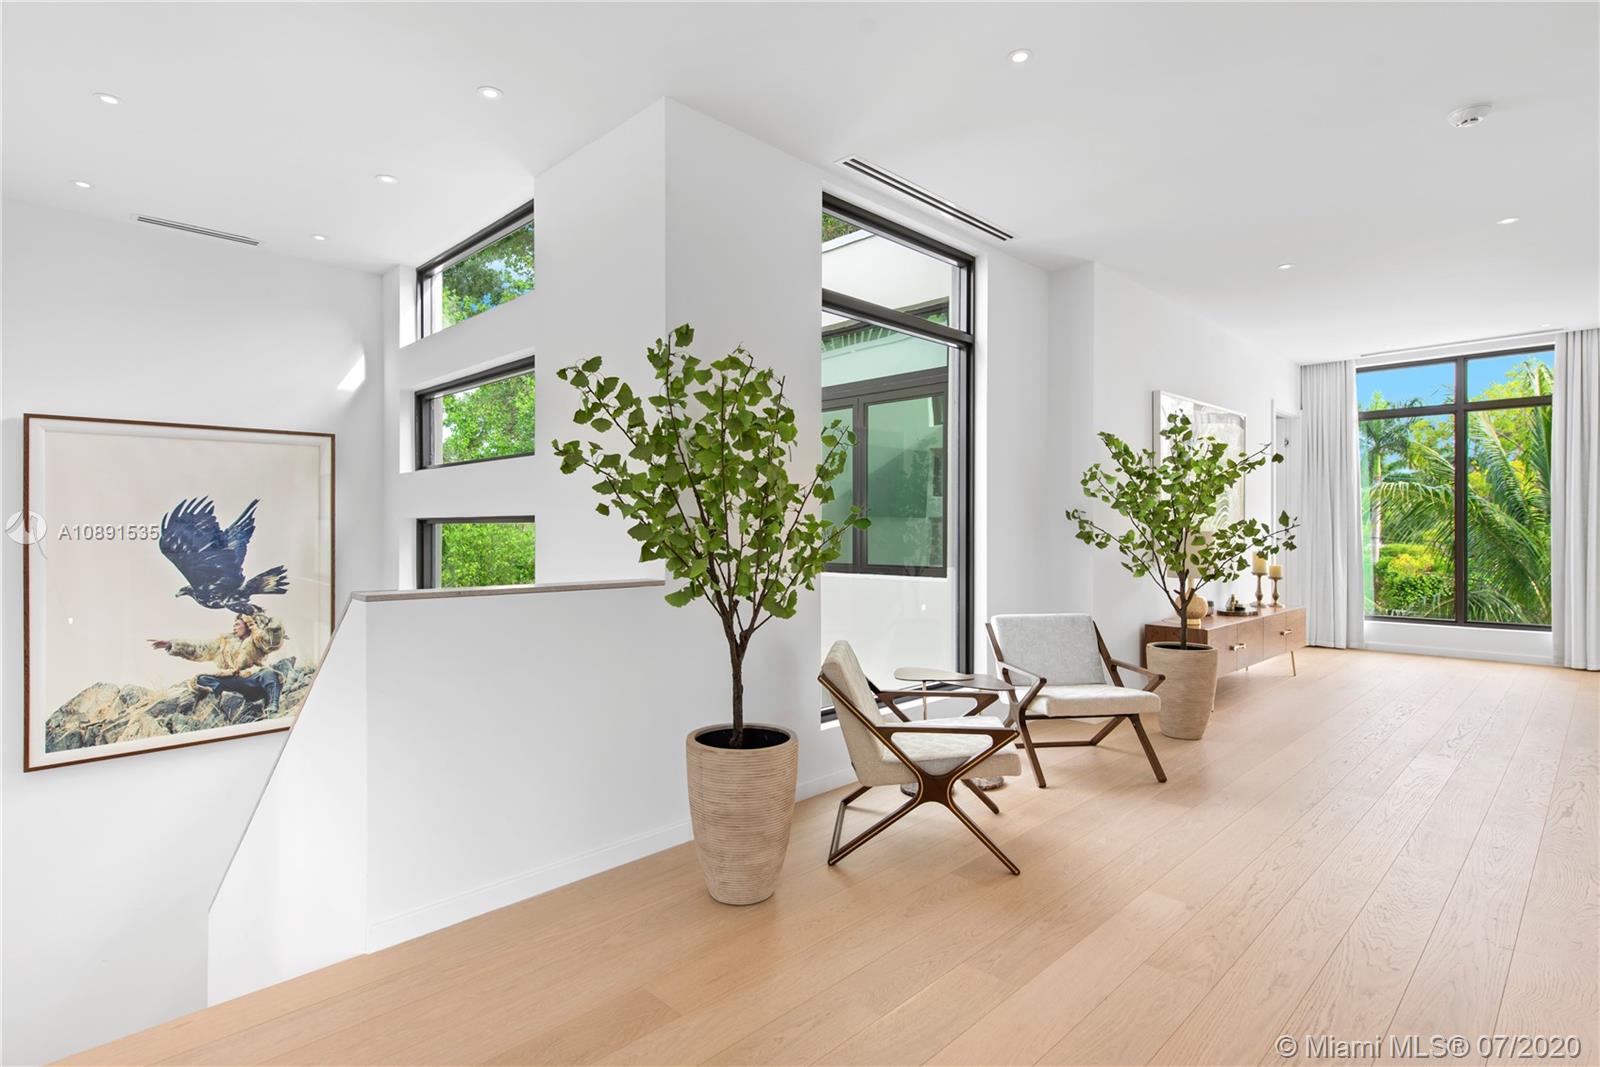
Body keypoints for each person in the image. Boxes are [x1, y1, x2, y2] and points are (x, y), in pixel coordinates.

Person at [150, 613, 287, 716]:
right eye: (234, 624)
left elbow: (272, 641)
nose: (234, 626)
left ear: (247, 624)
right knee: (202, 679)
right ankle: (216, 705)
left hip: (253, 679)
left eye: (238, 623)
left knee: (269, 674)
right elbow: (199, 648)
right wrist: (171, 644)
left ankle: (272, 705)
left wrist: (266, 626)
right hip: (232, 680)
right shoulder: (223, 642)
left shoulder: (257, 639)